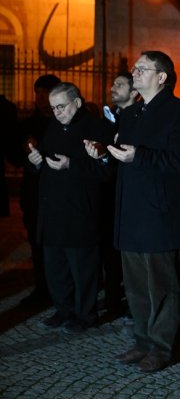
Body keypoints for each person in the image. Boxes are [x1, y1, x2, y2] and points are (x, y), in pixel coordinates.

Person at [88, 50, 180, 373]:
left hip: (160, 214)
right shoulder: (132, 113)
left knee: (162, 286)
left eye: (142, 68)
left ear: (161, 77)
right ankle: (142, 340)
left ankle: (161, 347)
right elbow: (122, 157)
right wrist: (103, 155)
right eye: (134, 68)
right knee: (135, 286)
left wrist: (141, 156)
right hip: (130, 212)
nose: (134, 72)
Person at [30, 82, 113, 333]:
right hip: (52, 211)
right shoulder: (54, 126)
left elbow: (106, 171)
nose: (57, 113)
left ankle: (85, 314)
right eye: (53, 108)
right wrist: (36, 162)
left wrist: (72, 165)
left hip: (80, 211)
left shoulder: (98, 128)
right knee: (56, 267)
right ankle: (62, 309)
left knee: (82, 268)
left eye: (62, 107)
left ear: (77, 103)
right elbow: (46, 158)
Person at [14, 74, 61, 305]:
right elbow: (14, 157)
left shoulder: (64, 123)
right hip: (33, 195)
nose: (40, 97)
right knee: (37, 243)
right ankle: (42, 288)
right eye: (38, 92)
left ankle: (61, 290)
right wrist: (24, 149)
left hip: (59, 196)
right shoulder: (27, 125)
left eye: (46, 92)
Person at [100, 70, 138, 312]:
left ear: (134, 92)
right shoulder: (106, 118)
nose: (113, 88)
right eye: (113, 83)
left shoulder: (140, 119)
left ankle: (133, 301)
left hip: (133, 195)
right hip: (108, 193)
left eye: (120, 84)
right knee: (109, 248)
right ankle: (113, 297)